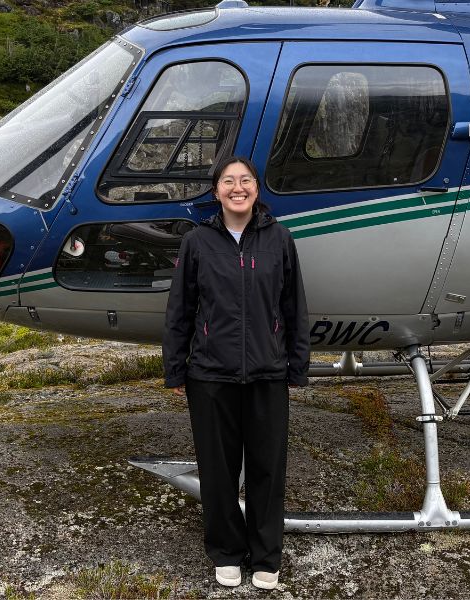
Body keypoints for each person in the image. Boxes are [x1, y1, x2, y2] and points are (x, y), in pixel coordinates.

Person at [162, 156, 310, 590]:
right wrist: (175, 370)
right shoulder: (198, 242)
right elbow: (180, 310)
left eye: (245, 180)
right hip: (210, 376)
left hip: (268, 374)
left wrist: (295, 367)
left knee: (268, 469)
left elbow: (293, 308)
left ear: (257, 190)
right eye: (228, 181)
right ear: (216, 192)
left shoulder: (280, 239)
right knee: (219, 470)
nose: (237, 187)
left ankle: (266, 556)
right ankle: (226, 551)